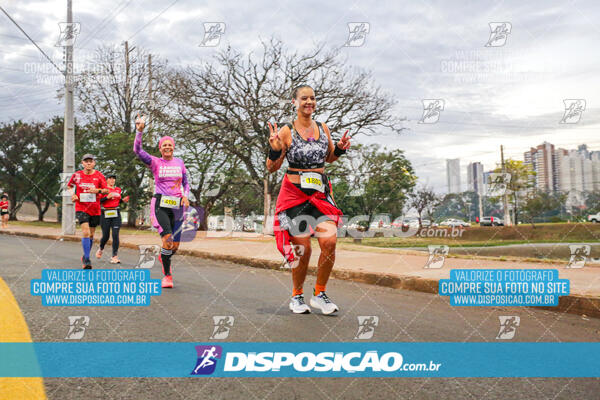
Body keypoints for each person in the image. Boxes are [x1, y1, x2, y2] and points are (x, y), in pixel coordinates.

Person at [267, 84, 351, 315]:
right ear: (294, 102)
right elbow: (272, 168)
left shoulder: (323, 127)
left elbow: (330, 157)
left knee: (330, 241)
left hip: (320, 195)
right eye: (304, 98)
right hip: (295, 198)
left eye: (312, 98)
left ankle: (320, 294)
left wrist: (341, 150)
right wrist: (275, 149)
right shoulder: (285, 131)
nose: (309, 102)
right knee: (303, 249)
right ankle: (297, 295)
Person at [133, 114, 190, 289]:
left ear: (173, 148)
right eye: (164, 145)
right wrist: (139, 132)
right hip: (161, 205)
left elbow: (186, 183)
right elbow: (138, 151)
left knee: (174, 246)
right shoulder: (155, 162)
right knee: (167, 238)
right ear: (160, 148)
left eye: (170, 145)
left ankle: (164, 256)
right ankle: (167, 275)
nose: (167, 147)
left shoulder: (179, 163)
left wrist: (186, 195)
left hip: (177, 206)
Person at [67, 154, 109, 269]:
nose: (89, 163)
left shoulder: (99, 176)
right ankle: (86, 259)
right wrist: (73, 195)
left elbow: (106, 190)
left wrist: (97, 190)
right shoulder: (77, 175)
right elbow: (69, 186)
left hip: (95, 209)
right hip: (81, 207)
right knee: (85, 232)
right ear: (82, 163)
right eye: (86, 161)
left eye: (91, 161)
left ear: (94, 163)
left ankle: (85, 255)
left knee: (91, 234)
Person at [96, 175, 129, 264]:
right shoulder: (103, 190)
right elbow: (98, 201)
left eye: (113, 178)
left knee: (115, 234)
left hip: (116, 214)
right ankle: (101, 248)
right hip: (105, 214)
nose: (112, 180)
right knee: (105, 236)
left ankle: (114, 256)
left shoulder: (118, 189)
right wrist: (107, 197)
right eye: (110, 178)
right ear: (106, 180)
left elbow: (118, 200)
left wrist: (123, 200)